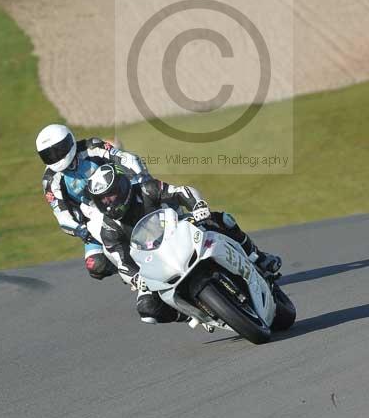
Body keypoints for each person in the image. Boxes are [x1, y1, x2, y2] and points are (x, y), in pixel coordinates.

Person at [86, 161, 282, 325]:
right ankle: (192, 313)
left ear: (123, 186)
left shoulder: (147, 189)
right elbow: (123, 263)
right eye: (102, 200)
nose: (109, 202)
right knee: (147, 310)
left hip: (181, 232)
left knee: (221, 219)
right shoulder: (109, 229)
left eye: (111, 195)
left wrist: (198, 206)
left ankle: (258, 257)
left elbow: (181, 192)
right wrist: (137, 279)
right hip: (155, 262)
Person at [36, 123, 150, 281]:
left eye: (58, 150)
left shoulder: (92, 147)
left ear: (69, 142)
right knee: (95, 265)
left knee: (154, 196)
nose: (56, 157)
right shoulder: (50, 180)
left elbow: (127, 158)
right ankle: (130, 272)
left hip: (121, 199)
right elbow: (61, 216)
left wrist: (141, 178)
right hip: (92, 218)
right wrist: (80, 229)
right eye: (49, 155)